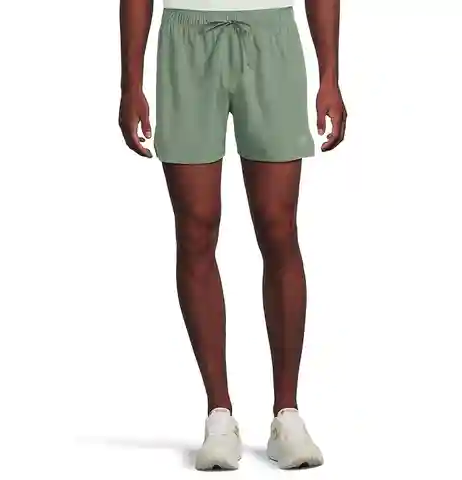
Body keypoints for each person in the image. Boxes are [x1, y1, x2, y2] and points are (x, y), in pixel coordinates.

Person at [118, 0, 347, 470]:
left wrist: (330, 75)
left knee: (278, 227)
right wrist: (130, 84)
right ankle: (219, 415)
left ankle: (288, 415)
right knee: (195, 228)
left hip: (271, 33)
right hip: (185, 36)